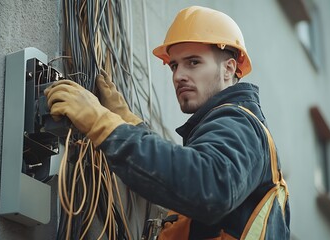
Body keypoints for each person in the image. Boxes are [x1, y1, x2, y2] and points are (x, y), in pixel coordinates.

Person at [45, 5, 290, 240]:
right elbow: (187, 173)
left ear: (229, 69)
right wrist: (129, 124)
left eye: (193, 62)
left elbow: (208, 186)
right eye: (174, 65)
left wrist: (104, 126)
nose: (178, 76)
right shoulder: (228, 127)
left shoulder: (239, 121)